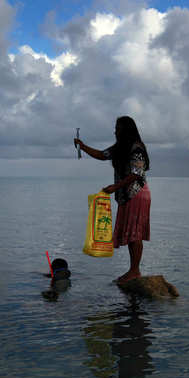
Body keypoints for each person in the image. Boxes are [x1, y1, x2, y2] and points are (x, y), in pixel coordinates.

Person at [75, 116, 151, 282]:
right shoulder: (120, 148)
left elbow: (137, 173)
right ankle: (133, 270)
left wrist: (115, 187)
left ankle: (135, 270)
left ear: (125, 130)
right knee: (132, 234)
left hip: (137, 194)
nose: (115, 131)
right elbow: (102, 155)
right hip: (127, 195)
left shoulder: (136, 148)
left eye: (117, 128)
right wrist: (83, 146)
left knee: (135, 233)